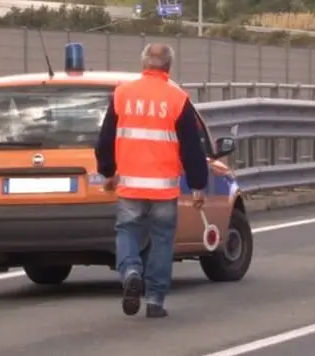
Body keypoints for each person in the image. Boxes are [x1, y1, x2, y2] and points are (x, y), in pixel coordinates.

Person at [95, 43, 209, 318]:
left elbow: (105, 140)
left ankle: (131, 271)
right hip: (164, 188)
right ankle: (156, 300)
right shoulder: (178, 98)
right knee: (161, 241)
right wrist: (197, 185)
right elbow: (192, 147)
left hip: (131, 185)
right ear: (168, 67)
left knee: (128, 232)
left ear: (144, 64)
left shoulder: (122, 94)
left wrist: (108, 172)